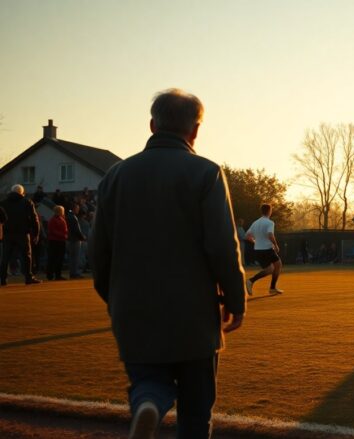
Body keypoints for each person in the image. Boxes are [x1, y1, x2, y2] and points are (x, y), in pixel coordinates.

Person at [89, 88, 246, 439]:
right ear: (195, 130)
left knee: (149, 382)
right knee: (196, 407)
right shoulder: (205, 173)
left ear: (152, 125)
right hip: (194, 313)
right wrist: (236, 301)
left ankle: (150, 403)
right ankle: (156, 406)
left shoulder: (115, 176)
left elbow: (98, 252)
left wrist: (113, 296)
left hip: (133, 308)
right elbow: (222, 247)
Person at [0, 184, 42, 285]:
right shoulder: (27, 202)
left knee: (5, 257)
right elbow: (34, 219)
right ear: (22, 192)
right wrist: (36, 233)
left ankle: (3, 279)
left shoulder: (3, 203)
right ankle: (28, 277)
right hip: (23, 233)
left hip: (7, 233)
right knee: (26, 255)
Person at [245, 204, 284, 295]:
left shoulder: (255, 223)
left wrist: (256, 242)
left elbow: (247, 236)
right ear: (269, 211)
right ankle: (251, 281)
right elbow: (270, 235)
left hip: (259, 250)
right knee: (272, 268)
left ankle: (272, 288)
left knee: (275, 266)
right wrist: (276, 245)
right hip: (267, 249)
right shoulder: (270, 222)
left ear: (261, 211)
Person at [47, 205, 68, 280]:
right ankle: (52, 275)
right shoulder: (53, 220)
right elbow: (52, 231)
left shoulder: (59, 219)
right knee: (54, 258)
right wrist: (63, 235)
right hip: (56, 241)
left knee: (58, 259)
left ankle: (56, 275)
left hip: (59, 241)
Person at [65, 204, 86, 279]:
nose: (78, 210)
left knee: (71, 257)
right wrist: (82, 237)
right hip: (75, 239)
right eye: (77, 208)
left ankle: (72, 273)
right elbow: (77, 229)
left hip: (69, 239)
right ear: (74, 209)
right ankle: (75, 273)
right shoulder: (73, 217)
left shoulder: (68, 216)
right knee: (76, 257)